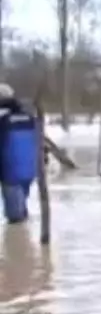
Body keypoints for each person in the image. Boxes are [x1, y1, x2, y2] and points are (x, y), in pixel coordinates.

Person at [0, 84, 38, 225]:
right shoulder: (28, 116)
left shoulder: (2, 118)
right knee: (21, 210)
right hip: (29, 169)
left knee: (15, 219)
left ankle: (17, 244)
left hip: (9, 170)